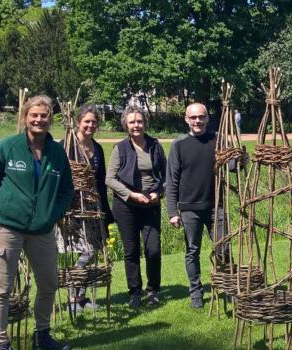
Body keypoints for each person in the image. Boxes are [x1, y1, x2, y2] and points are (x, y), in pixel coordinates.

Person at [0, 95, 73, 350]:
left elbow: (66, 190)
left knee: (49, 283)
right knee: (1, 288)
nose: (39, 120)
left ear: (50, 119)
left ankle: (42, 336)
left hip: (43, 230)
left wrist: (54, 213)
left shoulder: (57, 152)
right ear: (25, 117)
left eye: (44, 115)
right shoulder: (8, 147)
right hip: (7, 227)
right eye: (34, 115)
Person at [166, 102, 226, 308]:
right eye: (193, 117)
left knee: (223, 248)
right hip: (189, 208)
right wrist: (173, 211)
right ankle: (196, 294)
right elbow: (172, 180)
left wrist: (240, 159)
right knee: (193, 251)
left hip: (216, 205)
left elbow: (231, 166)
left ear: (207, 118)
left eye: (201, 117)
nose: (197, 121)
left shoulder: (218, 140)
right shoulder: (179, 145)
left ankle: (228, 288)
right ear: (186, 119)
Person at [106, 106, 166, 308]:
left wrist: (159, 192)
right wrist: (131, 194)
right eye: (132, 122)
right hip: (126, 206)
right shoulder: (120, 148)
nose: (136, 125)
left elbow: (166, 176)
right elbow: (110, 179)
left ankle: (154, 291)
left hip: (151, 204)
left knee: (153, 250)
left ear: (145, 123)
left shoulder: (155, 145)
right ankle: (135, 292)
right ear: (126, 125)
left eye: (139, 121)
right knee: (131, 250)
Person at [60, 105, 114, 312]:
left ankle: (82, 298)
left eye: (94, 122)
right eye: (87, 121)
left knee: (95, 249)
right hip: (73, 207)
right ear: (78, 122)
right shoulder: (65, 146)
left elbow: (100, 182)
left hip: (93, 206)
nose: (90, 125)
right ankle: (73, 298)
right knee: (84, 249)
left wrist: (106, 212)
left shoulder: (97, 148)